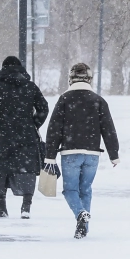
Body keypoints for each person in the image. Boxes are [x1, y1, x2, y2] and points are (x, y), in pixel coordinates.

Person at [42, 63, 120, 239]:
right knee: (85, 189)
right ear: (89, 79)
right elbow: (108, 128)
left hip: (70, 152)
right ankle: (83, 227)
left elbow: (54, 129)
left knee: (70, 190)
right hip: (93, 154)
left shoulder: (64, 100)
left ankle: (79, 214)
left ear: (70, 79)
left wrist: (50, 156)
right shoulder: (98, 100)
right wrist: (114, 154)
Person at [0, 56, 49, 219]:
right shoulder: (30, 87)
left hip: (3, 135)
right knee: (28, 169)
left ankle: (2, 207)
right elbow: (44, 108)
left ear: (3, 69)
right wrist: (33, 123)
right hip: (26, 136)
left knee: (1, 170)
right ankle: (26, 207)